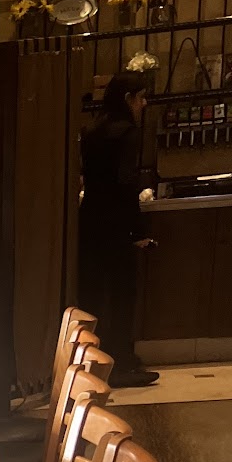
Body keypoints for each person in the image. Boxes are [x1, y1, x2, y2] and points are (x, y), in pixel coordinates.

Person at [77, 71, 157, 388]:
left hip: (90, 222)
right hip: (116, 225)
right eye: (141, 97)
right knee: (123, 295)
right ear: (127, 99)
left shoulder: (92, 131)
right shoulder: (126, 133)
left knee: (94, 296)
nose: (143, 104)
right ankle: (121, 364)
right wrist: (138, 232)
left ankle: (94, 363)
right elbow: (126, 184)